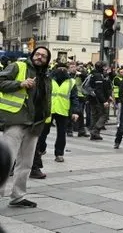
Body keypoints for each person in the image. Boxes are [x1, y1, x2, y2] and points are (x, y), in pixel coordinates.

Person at [0, 46, 52, 208]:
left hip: (35, 124)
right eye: (37, 54)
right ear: (32, 55)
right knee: (6, 161)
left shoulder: (46, 77)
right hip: (16, 119)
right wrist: (20, 83)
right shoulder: (18, 66)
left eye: (44, 56)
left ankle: (18, 196)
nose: (40, 57)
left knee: (26, 164)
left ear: (47, 60)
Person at [33, 62, 81, 176]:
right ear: (55, 69)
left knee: (61, 133)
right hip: (49, 110)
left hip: (63, 110)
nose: (62, 70)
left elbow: (74, 97)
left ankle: (59, 154)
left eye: (64, 68)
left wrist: (75, 111)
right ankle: (41, 149)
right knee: (43, 131)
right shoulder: (49, 79)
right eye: (60, 68)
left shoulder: (71, 82)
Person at [87, 61, 112, 141]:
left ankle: (94, 134)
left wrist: (109, 96)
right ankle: (95, 131)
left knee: (95, 116)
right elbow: (99, 90)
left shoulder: (93, 73)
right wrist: (104, 100)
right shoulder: (98, 76)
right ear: (102, 67)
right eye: (105, 67)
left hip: (92, 98)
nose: (106, 68)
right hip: (98, 99)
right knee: (105, 114)